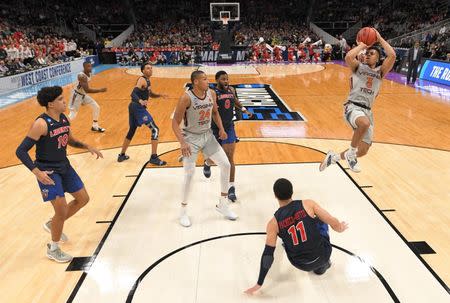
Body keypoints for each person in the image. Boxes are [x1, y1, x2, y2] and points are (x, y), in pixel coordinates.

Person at [15, 86, 103, 263]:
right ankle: (53, 248)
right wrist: (36, 172)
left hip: (64, 166)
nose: (65, 101)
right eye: (61, 99)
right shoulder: (41, 124)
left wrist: (87, 146)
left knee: (83, 199)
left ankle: (52, 223)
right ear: (51, 104)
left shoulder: (63, 118)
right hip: (47, 170)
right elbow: (21, 151)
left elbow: (69, 140)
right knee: (61, 208)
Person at [244, 178, 348, 295]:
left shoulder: (273, 223)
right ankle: (323, 265)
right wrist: (340, 227)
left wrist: (259, 283)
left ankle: (291, 243)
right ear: (292, 192)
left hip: (300, 264)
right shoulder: (308, 204)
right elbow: (333, 222)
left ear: (275, 195)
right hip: (323, 255)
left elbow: (268, 256)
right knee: (321, 219)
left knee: (285, 238)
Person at [319, 29, 396, 173]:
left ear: (378, 59)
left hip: (367, 111)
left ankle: (334, 157)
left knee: (363, 150)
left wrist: (379, 38)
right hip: (352, 107)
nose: (367, 55)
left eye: (371, 53)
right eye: (367, 53)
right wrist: (363, 45)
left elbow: (392, 55)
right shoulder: (358, 68)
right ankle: (350, 153)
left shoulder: (380, 72)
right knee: (364, 124)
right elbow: (348, 57)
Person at [172, 70, 238, 227]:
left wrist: (221, 129)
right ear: (195, 82)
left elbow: (215, 113)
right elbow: (175, 122)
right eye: (204, 79)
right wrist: (182, 142)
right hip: (190, 138)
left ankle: (223, 204)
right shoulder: (186, 98)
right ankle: (183, 211)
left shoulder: (211, 94)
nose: (208, 81)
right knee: (189, 174)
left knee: (226, 165)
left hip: (208, 135)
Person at [202, 71, 253, 202]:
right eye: (223, 79)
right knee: (215, 158)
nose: (226, 81)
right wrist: (220, 129)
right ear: (217, 80)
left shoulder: (231, 90)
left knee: (229, 157)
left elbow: (234, 101)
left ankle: (231, 188)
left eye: (227, 79)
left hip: (229, 127)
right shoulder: (212, 92)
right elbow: (213, 112)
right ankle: (207, 162)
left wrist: (244, 110)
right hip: (214, 128)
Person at [118, 62, 168, 165]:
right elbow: (133, 93)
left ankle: (121, 155)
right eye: (148, 68)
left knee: (132, 130)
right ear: (143, 70)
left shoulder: (147, 81)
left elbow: (151, 94)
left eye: (151, 68)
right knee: (155, 129)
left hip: (133, 107)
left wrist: (160, 95)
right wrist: (140, 101)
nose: (150, 70)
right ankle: (154, 157)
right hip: (137, 107)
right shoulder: (142, 80)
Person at [68, 62, 107, 132]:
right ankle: (61, 128)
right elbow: (87, 90)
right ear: (84, 67)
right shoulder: (82, 76)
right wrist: (100, 90)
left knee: (96, 107)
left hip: (83, 95)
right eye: (88, 67)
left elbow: (85, 90)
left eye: (91, 66)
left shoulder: (89, 73)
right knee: (72, 115)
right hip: (76, 96)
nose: (90, 68)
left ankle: (95, 126)